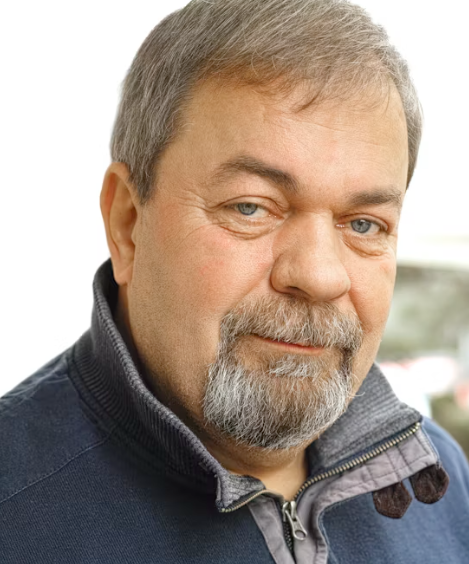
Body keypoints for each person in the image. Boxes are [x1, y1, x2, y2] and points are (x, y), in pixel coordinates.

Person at [1, 0, 469, 562]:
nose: (319, 276)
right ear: (127, 224)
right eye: (250, 207)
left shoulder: (440, 485)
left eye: (364, 224)